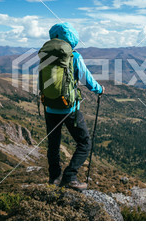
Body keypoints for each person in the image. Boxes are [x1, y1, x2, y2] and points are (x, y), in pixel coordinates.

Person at [42, 22, 103, 191]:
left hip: (49, 107)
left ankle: (54, 179)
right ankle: (70, 177)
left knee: (53, 145)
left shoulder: (46, 55)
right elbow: (87, 79)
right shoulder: (74, 57)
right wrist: (99, 89)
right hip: (69, 109)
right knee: (84, 143)